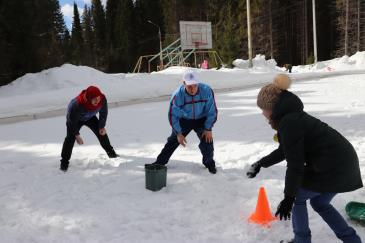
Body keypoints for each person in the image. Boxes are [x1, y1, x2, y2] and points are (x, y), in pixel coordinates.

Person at [247, 74, 363, 243]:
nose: (263, 114)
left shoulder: (289, 122)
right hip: (341, 163)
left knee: (297, 197)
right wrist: (261, 163)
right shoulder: (291, 116)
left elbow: (295, 165)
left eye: (263, 109)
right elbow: (285, 150)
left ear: (272, 108)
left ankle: (301, 240)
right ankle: (351, 239)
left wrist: (289, 197)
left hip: (333, 166)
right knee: (320, 203)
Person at [153, 70, 218, 174]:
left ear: (198, 83)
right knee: (173, 140)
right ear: (184, 83)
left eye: (195, 85)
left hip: (201, 119)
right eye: (189, 86)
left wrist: (208, 128)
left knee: (208, 141)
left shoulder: (207, 90)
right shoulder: (177, 95)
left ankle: (209, 163)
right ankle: (159, 162)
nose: (193, 89)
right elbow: (172, 115)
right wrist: (178, 133)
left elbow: (212, 110)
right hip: (185, 120)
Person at [60, 86, 118, 172]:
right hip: (75, 121)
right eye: (94, 99)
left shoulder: (102, 99)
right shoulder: (76, 105)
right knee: (70, 138)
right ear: (88, 99)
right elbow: (71, 122)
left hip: (90, 117)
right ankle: (64, 162)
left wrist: (101, 126)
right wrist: (77, 135)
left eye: (98, 98)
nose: (97, 101)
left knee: (101, 133)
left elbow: (104, 112)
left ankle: (111, 153)